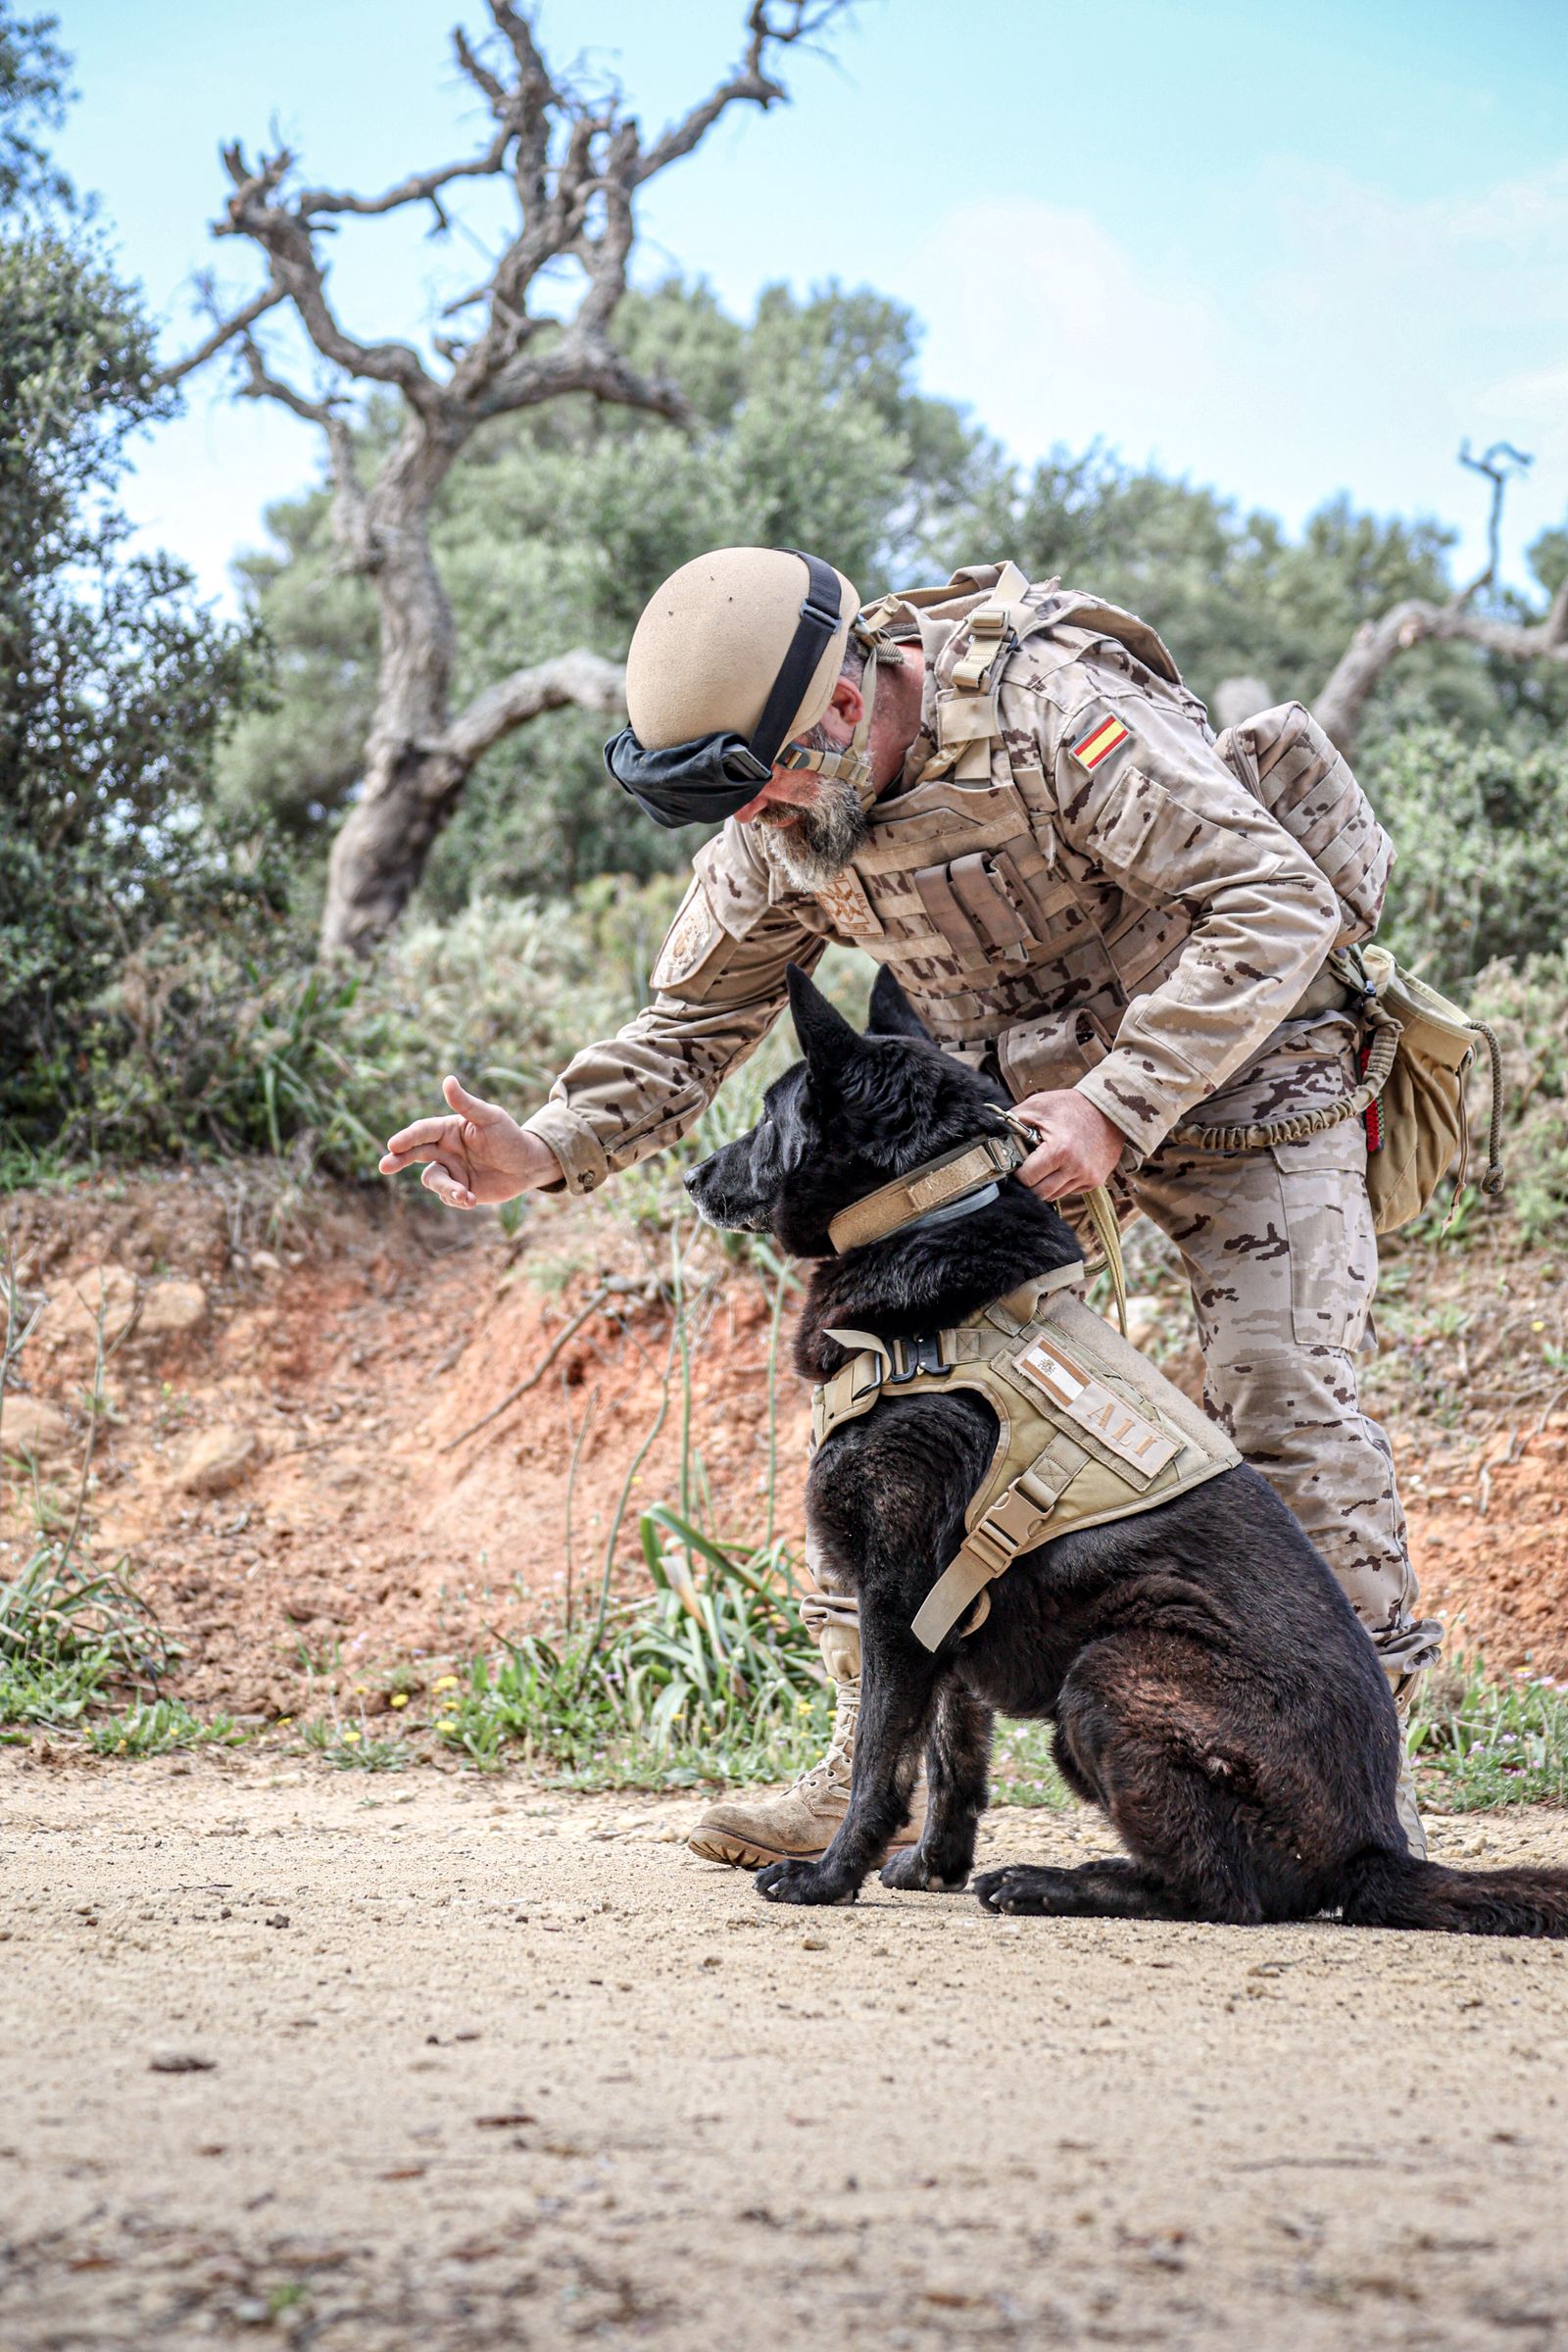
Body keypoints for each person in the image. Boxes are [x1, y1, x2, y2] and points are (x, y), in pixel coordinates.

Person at [382, 546, 1439, 1863]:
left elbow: (1276, 897)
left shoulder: (1052, 705)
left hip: (1242, 1065)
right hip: (1019, 1117)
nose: (759, 826)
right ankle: (874, 1779)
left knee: (1282, 1387)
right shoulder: (782, 815)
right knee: (902, 1409)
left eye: (762, 792)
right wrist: (539, 1146)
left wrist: (1123, 1102)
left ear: (839, 704)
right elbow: (695, 1020)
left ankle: (1351, 1795)